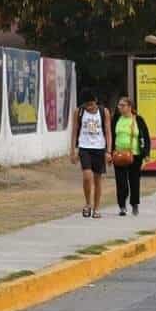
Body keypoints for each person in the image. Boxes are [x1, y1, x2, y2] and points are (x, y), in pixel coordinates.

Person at [70, 89, 112, 218]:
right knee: (87, 176)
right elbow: (75, 131)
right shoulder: (79, 112)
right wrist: (72, 150)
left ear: (96, 102)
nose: (89, 107)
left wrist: (108, 151)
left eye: (92, 104)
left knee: (97, 180)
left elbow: (108, 131)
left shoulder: (103, 112)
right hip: (84, 147)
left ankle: (96, 208)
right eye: (87, 105)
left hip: (99, 148)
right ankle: (88, 203)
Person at [111, 96, 151, 216]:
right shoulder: (117, 119)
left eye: (123, 105)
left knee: (134, 181)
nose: (120, 108)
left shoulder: (138, 119)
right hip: (118, 154)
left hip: (135, 155)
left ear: (130, 107)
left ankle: (134, 204)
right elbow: (111, 135)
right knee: (121, 182)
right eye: (119, 105)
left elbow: (145, 137)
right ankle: (122, 205)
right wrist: (109, 152)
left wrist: (146, 153)